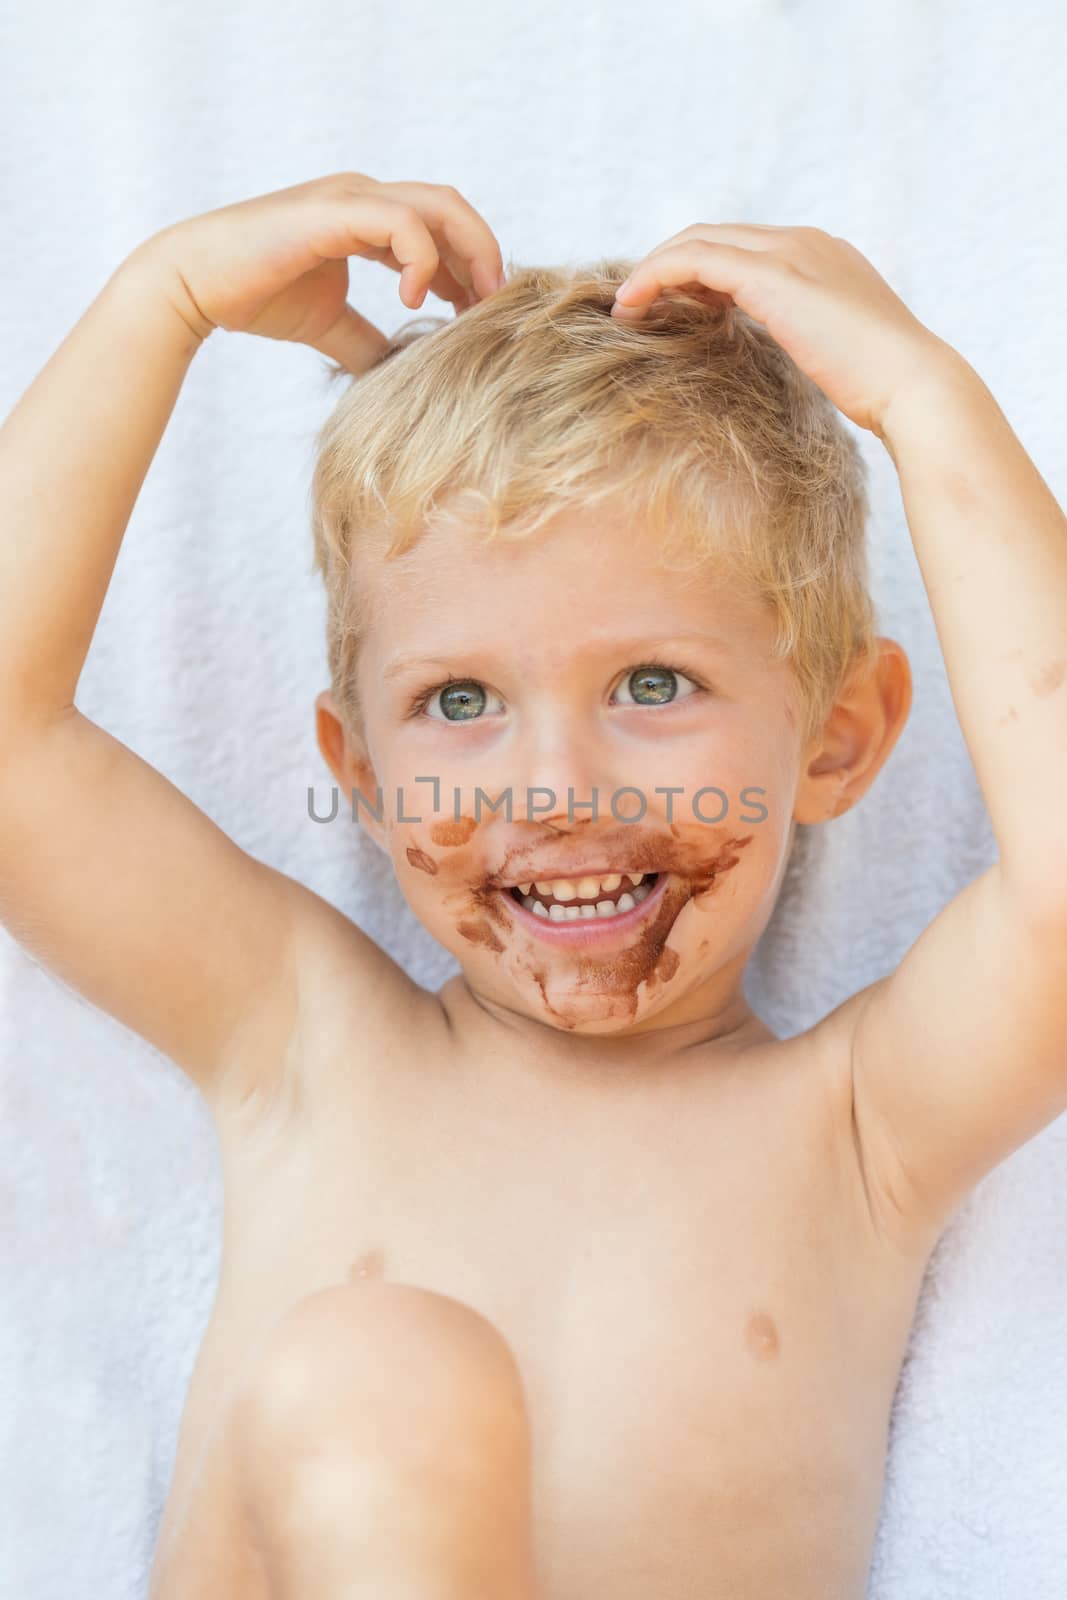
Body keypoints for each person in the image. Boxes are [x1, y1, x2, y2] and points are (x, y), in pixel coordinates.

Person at [1, 170, 1064, 1600]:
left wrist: (929, 405)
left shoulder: (858, 1132)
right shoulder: (308, 1044)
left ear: (839, 737)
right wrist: (160, 300)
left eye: (651, 682)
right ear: (358, 772)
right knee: (378, 1372)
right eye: (457, 703)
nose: (553, 788)